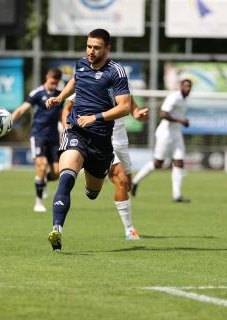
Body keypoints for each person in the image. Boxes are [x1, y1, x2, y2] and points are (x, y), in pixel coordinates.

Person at [45, 28, 132, 250]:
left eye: (96, 48)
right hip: (76, 131)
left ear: (107, 48)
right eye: (88, 46)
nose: (91, 52)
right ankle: (57, 230)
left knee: (93, 192)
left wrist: (95, 117)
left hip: (101, 140)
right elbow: (75, 80)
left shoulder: (116, 71)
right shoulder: (81, 63)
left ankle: (91, 185)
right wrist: (60, 97)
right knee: (66, 177)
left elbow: (125, 107)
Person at [63, 93, 148, 240]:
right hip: (101, 140)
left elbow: (132, 109)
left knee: (126, 184)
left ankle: (91, 179)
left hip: (121, 143)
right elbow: (67, 108)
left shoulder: (123, 86)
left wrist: (139, 115)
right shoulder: (89, 82)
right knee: (120, 178)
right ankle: (130, 230)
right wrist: (68, 130)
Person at [131, 79, 193, 203]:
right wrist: (181, 121)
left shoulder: (184, 99)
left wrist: (180, 122)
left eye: (189, 86)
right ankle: (135, 181)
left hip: (176, 134)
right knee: (158, 163)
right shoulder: (174, 97)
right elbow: (163, 114)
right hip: (165, 133)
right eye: (185, 86)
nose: (188, 88)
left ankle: (177, 195)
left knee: (179, 162)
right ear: (180, 86)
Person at [12, 68, 63, 212]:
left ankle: (44, 180)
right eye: (52, 82)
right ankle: (38, 202)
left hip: (54, 138)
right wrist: (8, 123)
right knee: (42, 165)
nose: (53, 85)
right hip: (38, 136)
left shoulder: (60, 96)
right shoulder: (37, 93)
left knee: (57, 172)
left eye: (56, 83)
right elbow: (22, 110)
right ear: (47, 77)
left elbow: (61, 115)